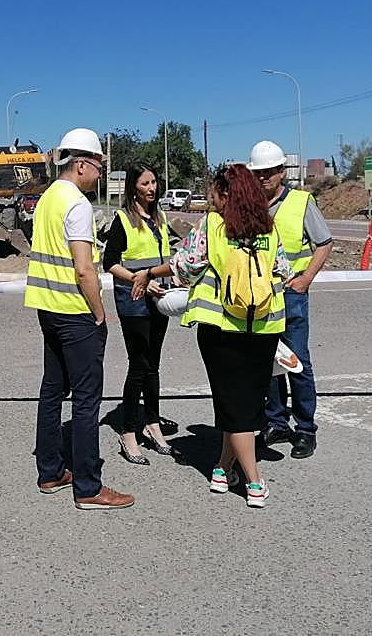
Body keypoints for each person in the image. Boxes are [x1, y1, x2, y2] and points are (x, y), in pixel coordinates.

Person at [133, 164, 287, 508]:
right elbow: (284, 270)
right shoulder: (269, 228)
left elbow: (185, 267)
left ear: (225, 193)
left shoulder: (213, 226)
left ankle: (254, 481)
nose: (211, 199)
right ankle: (221, 469)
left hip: (221, 328)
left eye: (214, 193)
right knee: (245, 404)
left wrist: (150, 275)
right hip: (264, 327)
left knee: (234, 408)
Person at [26, 128, 135, 511]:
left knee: (52, 390)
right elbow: (84, 269)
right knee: (87, 401)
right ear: (83, 163)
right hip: (75, 313)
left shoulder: (47, 198)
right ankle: (88, 487)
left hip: (46, 308)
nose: (102, 172)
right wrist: (100, 314)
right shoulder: (77, 203)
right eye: (100, 165)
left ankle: (51, 471)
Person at [247, 140, 333, 459]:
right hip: (260, 297)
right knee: (268, 363)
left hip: (291, 295)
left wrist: (306, 277)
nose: (264, 178)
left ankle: (306, 429)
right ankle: (275, 422)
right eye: (258, 173)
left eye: (269, 172)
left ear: (282, 171)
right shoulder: (251, 206)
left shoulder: (300, 202)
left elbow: (323, 243)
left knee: (297, 363)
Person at [102, 163, 174, 465]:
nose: (152, 188)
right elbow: (110, 262)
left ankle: (152, 422)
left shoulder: (160, 218)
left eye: (154, 182)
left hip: (161, 299)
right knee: (139, 364)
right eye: (146, 183)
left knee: (153, 365)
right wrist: (139, 279)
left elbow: (171, 254)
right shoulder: (122, 219)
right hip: (134, 301)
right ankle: (128, 429)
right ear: (134, 187)